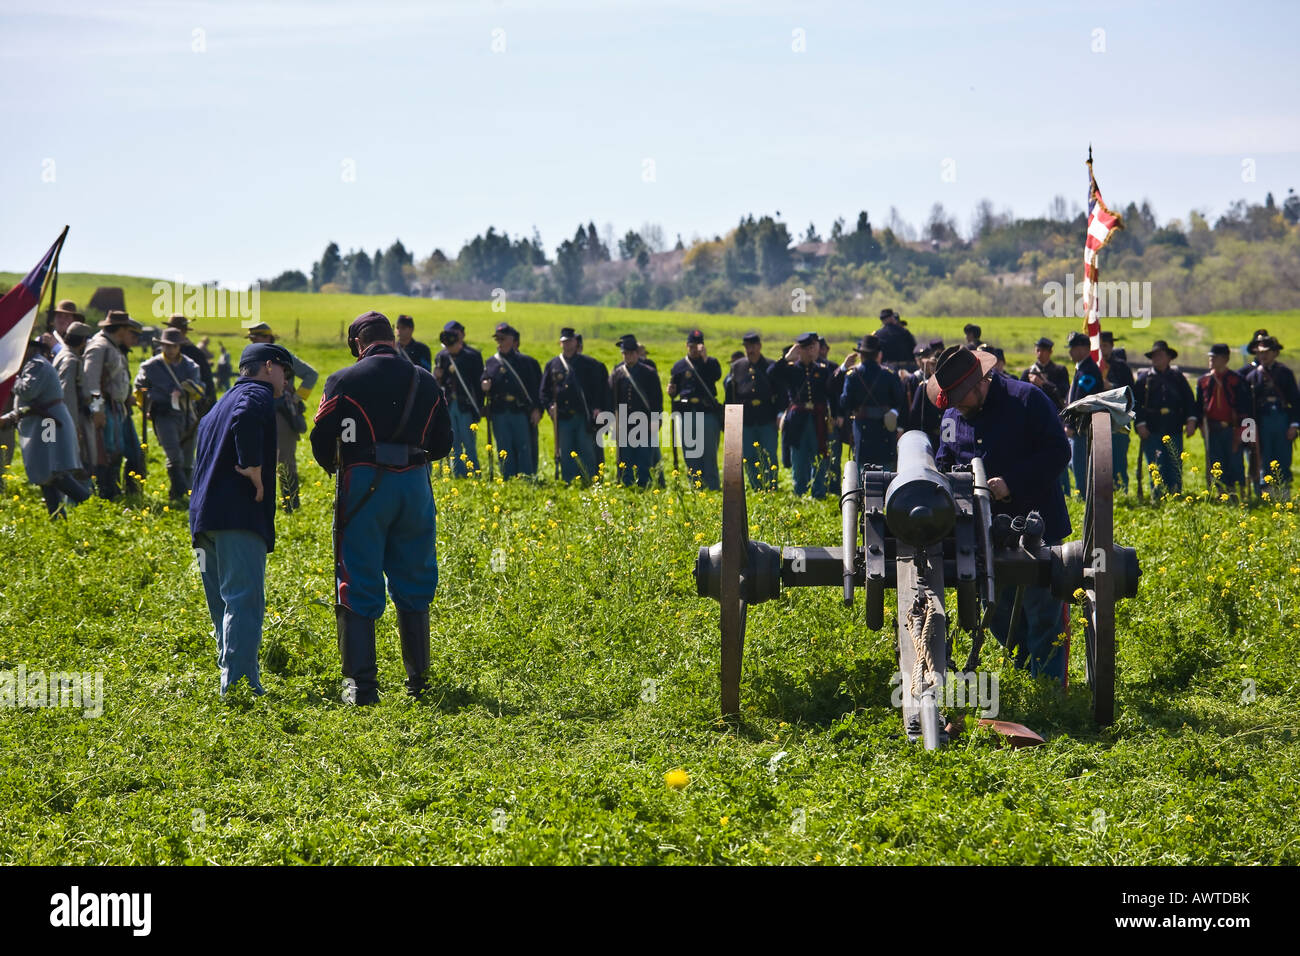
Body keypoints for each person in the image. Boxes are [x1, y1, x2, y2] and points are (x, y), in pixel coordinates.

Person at [310, 312, 452, 705]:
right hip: (414, 485)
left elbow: (322, 438)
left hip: (364, 482)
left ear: (357, 343)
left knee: (356, 575)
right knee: (415, 578)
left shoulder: (344, 379)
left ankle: (361, 688)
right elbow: (443, 442)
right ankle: (420, 683)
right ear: (393, 338)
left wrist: (338, 462)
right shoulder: (426, 379)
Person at [932, 345, 1072, 682]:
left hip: (1036, 526)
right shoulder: (953, 415)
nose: (957, 406)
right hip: (982, 533)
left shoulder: (1027, 400)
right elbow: (943, 458)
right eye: (952, 399)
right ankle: (1027, 676)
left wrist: (1011, 483)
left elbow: (1058, 451)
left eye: (962, 397)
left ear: (982, 381)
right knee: (998, 612)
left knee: (1043, 612)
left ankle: (1051, 693)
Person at [189, 342, 292, 697]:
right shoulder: (256, 393)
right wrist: (253, 467)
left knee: (222, 603)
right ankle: (241, 686)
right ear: (268, 367)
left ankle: (229, 679)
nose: (286, 381)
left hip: (205, 520)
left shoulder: (217, 405)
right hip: (238, 515)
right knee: (244, 600)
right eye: (284, 371)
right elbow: (247, 415)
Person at [0, 339, 92, 517]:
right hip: (43, 423)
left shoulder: (37, 365)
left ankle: (91, 505)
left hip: (48, 423)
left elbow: (27, 391)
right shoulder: (32, 365)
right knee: (46, 472)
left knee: (53, 468)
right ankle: (56, 517)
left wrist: (11, 375)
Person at [245, 322, 318, 512]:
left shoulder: (281, 355)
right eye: (252, 339)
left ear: (268, 338)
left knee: (285, 463)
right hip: (258, 411)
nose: (254, 341)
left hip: (282, 414)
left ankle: (291, 504)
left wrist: (296, 397)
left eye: (257, 338)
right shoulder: (251, 357)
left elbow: (311, 374)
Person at [134, 327, 204, 503]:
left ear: (179, 346)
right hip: (163, 414)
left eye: (173, 346)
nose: (170, 349)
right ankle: (183, 494)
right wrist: (146, 406)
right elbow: (139, 389)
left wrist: (189, 389)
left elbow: (199, 391)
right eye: (167, 346)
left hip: (187, 414)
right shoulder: (150, 366)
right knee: (174, 455)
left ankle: (179, 494)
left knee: (188, 458)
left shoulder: (191, 366)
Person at [81, 309, 140, 499]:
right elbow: (91, 383)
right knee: (105, 452)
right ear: (121, 329)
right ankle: (104, 492)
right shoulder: (99, 347)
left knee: (115, 450)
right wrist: (97, 410)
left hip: (116, 406)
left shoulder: (111, 346)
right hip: (105, 407)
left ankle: (112, 490)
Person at [773, 331, 840, 499]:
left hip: (818, 418)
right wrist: (786, 358)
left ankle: (819, 493)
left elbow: (831, 392)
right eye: (807, 348)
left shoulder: (822, 370)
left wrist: (836, 414)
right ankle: (800, 492)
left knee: (820, 454)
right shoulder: (791, 370)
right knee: (799, 457)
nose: (812, 352)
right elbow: (771, 374)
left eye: (813, 348)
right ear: (799, 350)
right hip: (798, 420)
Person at [540, 327, 608, 482]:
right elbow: (544, 391)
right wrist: (550, 406)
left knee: (586, 452)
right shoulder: (553, 364)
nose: (567, 345)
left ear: (576, 342)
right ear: (560, 344)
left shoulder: (589, 364)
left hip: (583, 416)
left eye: (570, 341)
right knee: (566, 453)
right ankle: (569, 482)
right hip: (563, 417)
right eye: (564, 342)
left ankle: (590, 481)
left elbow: (597, 389)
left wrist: (597, 407)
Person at [1133, 340, 1196, 496]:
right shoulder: (1143, 379)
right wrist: (1140, 424)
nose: (1157, 358)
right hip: (1152, 428)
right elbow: (1136, 404)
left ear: (1169, 357)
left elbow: (1189, 400)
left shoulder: (1178, 377)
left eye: (1161, 355)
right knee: (1156, 465)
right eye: (1154, 355)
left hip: (1174, 427)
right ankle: (1158, 496)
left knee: (1174, 464)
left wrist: (1191, 420)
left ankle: (1176, 494)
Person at [481, 322, 542, 479]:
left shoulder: (525, 362)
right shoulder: (491, 362)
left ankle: (526, 478)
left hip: (519, 409)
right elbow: (484, 379)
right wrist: (485, 384)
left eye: (503, 338)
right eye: (498, 339)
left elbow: (534, 388)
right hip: (499, 410)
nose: (500, 342)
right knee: (504, 446)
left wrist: (537, 409)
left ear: (511, 339)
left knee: (523, 446)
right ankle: (507, 478)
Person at [724, 331, 782, 490]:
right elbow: (731, 394)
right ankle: (756, 486)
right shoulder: (737, 366)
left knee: (769, 454)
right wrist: (730, 418)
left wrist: (779, 414)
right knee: (749, 455)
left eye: (752, 346)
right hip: (746, 418)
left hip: (766, 417)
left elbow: (780, 393)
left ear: (759, 346)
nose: (750, 350)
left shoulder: (770, 365)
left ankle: (771, 486)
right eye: (747, 347)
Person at [1242, 333, 1299, 493]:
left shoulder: (1285, 373)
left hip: (1282, 420)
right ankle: (1266, 494)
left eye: (1266, 352)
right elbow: (1247, 408)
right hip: (1261, 422)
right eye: (1260, 352)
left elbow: (1295, 401)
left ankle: (1283, 494)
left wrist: (1294, 425)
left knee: (1283, 457)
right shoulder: (1252, 376)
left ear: (1275, 353)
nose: (1263, 355)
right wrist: (1249, 432)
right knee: (1263, 458)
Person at [841, 334, 906, 469]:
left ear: (861, 355)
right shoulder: (889, 374)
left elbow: (845, 402)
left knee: (862, 469)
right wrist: (893, 413)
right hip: (885, 429)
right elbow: (900, 400)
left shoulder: (852, 375)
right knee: (886, 469)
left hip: (862, 428)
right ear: (878, 355)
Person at [668, 329, 723, 490]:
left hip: (706, 412)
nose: (695, 349)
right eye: (692, 346)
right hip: (686, 412)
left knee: (709, 453)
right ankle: (696, 487)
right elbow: (676, 390)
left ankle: (712, 487)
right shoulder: (679, 366)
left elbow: (716, 376)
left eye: (698, 346)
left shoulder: (711, 363)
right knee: (690, 453)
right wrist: (671, 391)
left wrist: (705, 359)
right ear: (687, 345)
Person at [1196, 344, 1250, 495]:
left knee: (1234, 462)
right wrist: (1201, 426)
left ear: (1225, 359)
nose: (1211, 360)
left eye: (1215, 357)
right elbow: (1199, 406)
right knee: (1215, 463)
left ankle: (1236, 493)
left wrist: (1242, 431)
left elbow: (1244, 408)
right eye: (1211, 357)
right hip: (1212, 429)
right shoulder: (1203, 381)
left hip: (1233, 429)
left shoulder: (1236, 380)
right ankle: (1220, 493)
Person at [609, 334, 663, 488]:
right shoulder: (617, 373)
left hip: (645, 423)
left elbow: (656, 400)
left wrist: (655, 419)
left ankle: (644, 488)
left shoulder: (649, 372)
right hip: (624, 424)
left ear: (637, 353)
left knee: (644, 460)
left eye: (631, 353)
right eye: (625, 353)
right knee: (625, 461)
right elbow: (612, 398)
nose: (628, 356)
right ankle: (627, 489)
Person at [433, 320, 484, 477]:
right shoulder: (442, 357)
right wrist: (437, 377)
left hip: (466, 404)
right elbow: (438, 383)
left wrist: (480, 406)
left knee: (469, 442)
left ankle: (473, 473)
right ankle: (457, 473)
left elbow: (477, 383)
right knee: (453, 443)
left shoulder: (472, 356)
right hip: (449, 403)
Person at [1022, 337, 1070, 497]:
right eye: (1038, 350)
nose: (1040, 353)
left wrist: (1043, 384)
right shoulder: (1028, 372)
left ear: (1050, 352)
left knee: (1058, 453)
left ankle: (1066, 492)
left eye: (1043, 350)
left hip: (1055, 417)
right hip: (1033, 421)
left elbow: (1062, 393)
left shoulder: (1059, 370)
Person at [52, 321, 95, 473]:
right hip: (71, 417)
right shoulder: (71, 360)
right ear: (83, 341)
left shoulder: (63, 354)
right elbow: (67, 394)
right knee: (73, 462)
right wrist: (73, 425)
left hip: (63, 417)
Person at [1065, 331, 1104, 493]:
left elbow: (1081, 401)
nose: (1070, 352)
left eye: (1073, 348)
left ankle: (1084, 497)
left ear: (1083, 349)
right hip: (1079, 427)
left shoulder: (1088, 371)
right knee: (1076, 463)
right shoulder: (1083, 368)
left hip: (1081, 427)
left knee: (1080, 466)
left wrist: (1070, 424)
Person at [1100, 331, 1133, 491]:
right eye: (1099, 346)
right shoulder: (1093, 366)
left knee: (1119, 460)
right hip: (1100, 418)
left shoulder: (1121, 366)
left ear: (1111, 346)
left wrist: (1111, 387)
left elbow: (1130, 393)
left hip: (1119, 419)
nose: (1102, 349)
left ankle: (1121, 492)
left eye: (1105, 345)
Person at [166, 315, 217, 417]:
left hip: (190, 406)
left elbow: (206, 382)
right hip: (165, 406)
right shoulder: (161, 351)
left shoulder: (195, 353)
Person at [906, 341, 945, 449]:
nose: (935, 368)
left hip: (947, 436)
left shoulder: (952, 387)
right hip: (928, 435)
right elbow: (915, 415)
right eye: (933, 365)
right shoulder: (924, 387)